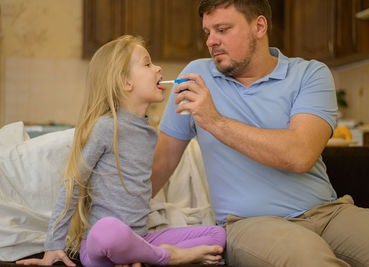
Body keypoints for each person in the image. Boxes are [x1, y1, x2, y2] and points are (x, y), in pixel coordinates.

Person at [151, 1, 369, 266]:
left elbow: (300, 155)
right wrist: (120, 229)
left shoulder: (309, 74)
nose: (211, 41)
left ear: (259, 26)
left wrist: (215, 121)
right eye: (207, 32)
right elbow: (162, 162)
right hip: (251, 224)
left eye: (222, 29)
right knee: (310, 261)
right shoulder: (195, 76)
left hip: (329, 213)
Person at [16, 35, 225, 267]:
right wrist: (53, 245)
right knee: (109, 230)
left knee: (218, 237)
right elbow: (73, 183)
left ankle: (138, 254)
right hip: (100, 244)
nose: (158, 68)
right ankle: (166, 256)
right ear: (126, 82)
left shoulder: (149, 133)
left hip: (140, 238)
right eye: (147, 64)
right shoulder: (106, 127)